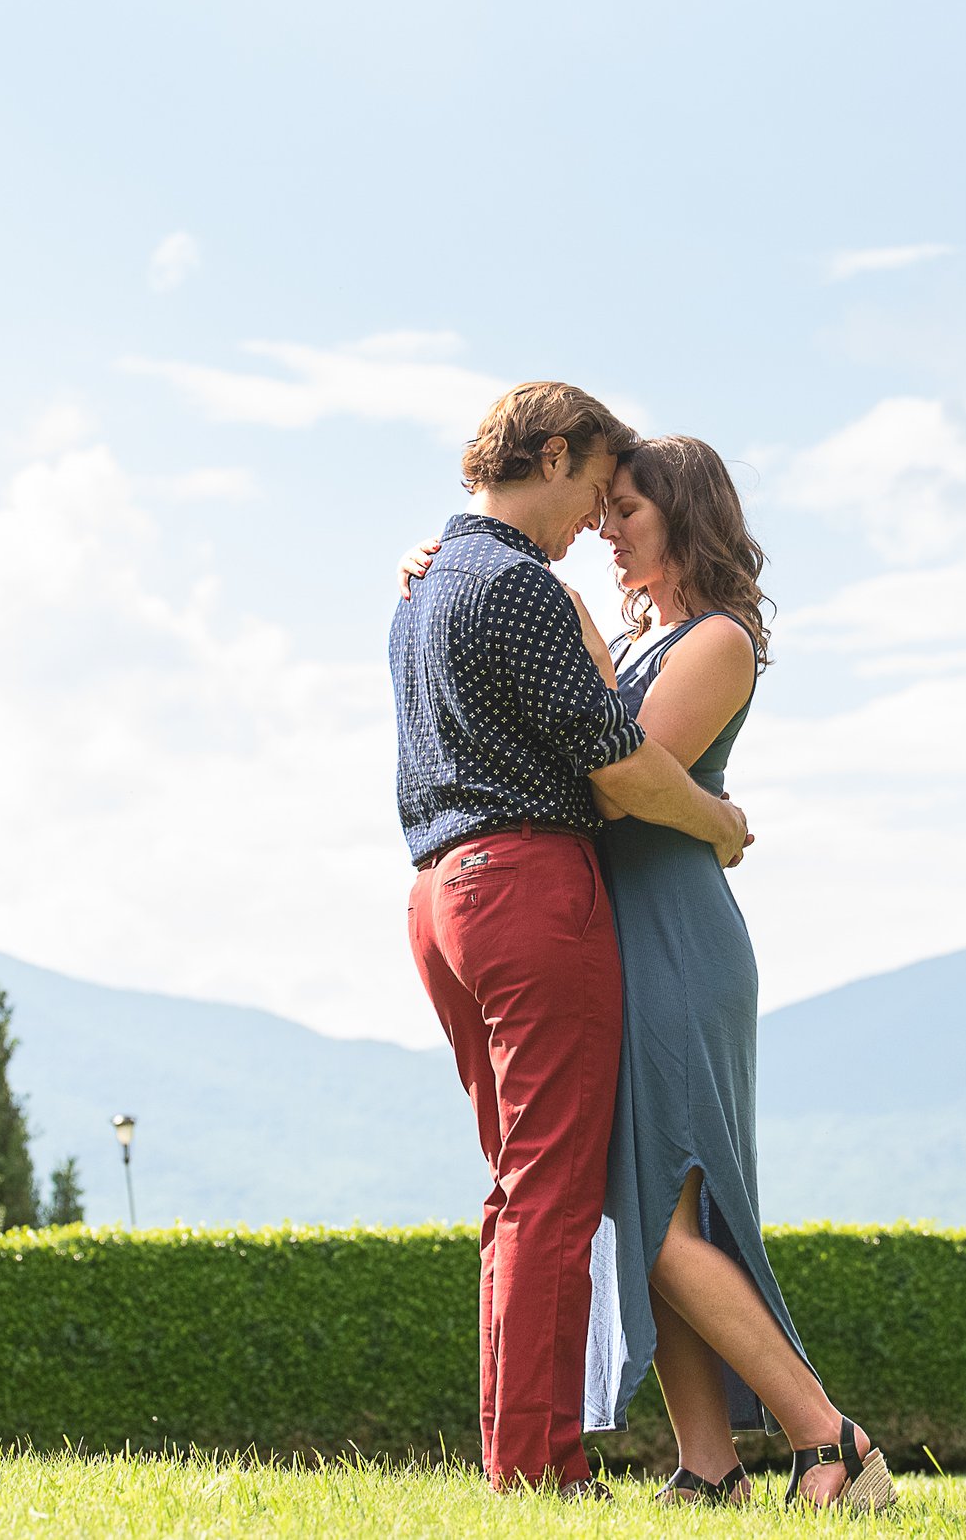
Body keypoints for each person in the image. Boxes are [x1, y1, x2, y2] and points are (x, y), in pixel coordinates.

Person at [400, 434, 897, 1513]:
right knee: (645, 1209)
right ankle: (708, 1464)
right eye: (605, 508)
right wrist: (460, 570)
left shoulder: (714, 641)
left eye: (626, 510)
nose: (604, 530)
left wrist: (541, 609)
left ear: (685, 517)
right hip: (614, 933)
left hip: (675, 940)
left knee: (667, 1213)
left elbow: (622, 776)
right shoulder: (635, 637)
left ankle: (833, 1438)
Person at [390, 382, 751, 1497]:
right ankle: (540, 1468)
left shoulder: (426, 590)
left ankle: (519, 1459)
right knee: (551, 1189)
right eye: (595, 491)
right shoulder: (517, 586)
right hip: (529, 890)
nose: (594, 522)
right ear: (552, 457)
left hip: (440, 891)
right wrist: (722, 821)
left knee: (514, 1185)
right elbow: (622, 770)